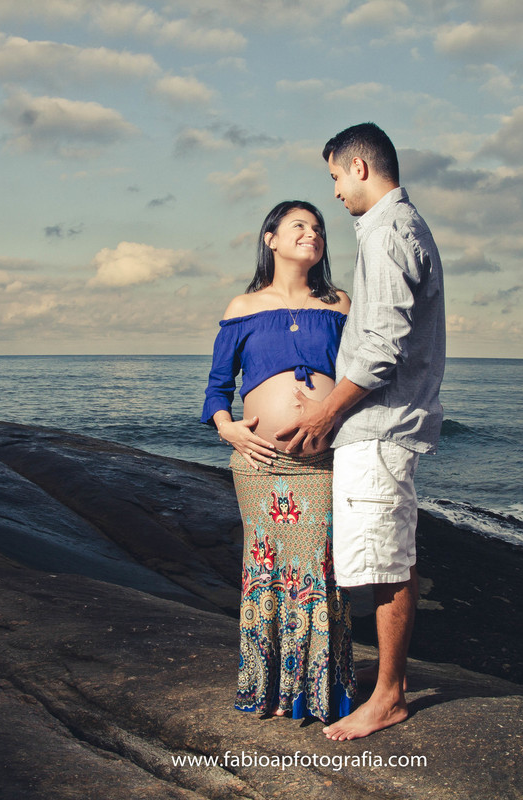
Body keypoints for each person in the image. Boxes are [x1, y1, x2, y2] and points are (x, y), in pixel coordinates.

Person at [276, 123, 445, 741]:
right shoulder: (392, 230)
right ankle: (381, 689)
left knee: (387, 562)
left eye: (336, 178)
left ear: (360, 167)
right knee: (376, 558)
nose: (336, 192)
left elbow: (381, 347)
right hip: (374, 429)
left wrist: (326, 414)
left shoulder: (388, 231)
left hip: (378, 427)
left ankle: (389, 696)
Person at [201, 200, 356, 722]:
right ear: (270, 238)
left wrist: (330, 416)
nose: (311, 233)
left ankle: (316, 694)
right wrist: (229, 432)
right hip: (259, 463)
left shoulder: (340, 304)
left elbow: (363, 378)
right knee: (264, 572)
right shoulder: (243, 306)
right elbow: (218, 389)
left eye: (318, 228)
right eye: (299, 226)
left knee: (318, 573)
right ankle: (264, 689)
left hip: (321, 463)